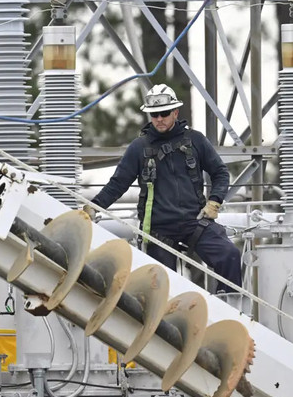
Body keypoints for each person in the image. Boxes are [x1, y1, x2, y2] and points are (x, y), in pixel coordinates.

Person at [87, 84, 242, 293]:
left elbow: (220, 172)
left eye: (164, 113)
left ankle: (229, 306)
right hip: (159, 229)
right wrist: (93, 207)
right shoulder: (139, 148)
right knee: (161, 285)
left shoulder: (195, 141)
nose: (159, 119)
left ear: (175, 113)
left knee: (229, 255)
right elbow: (117, 184)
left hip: (195, 222)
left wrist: (215, 201)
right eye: (154, 114)